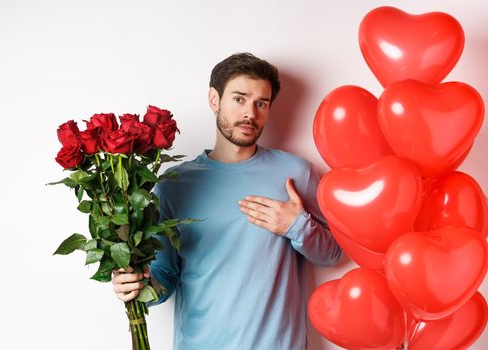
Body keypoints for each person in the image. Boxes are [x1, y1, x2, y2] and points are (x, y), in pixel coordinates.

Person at [112, 52, 342, 350]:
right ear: (214, 99)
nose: (251, 113)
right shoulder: (174, 184)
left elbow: (333, 253)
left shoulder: (294, 173)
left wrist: (296, 226)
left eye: (262, 103)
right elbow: (165, 276)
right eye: (239, 99)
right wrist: (137, 286)